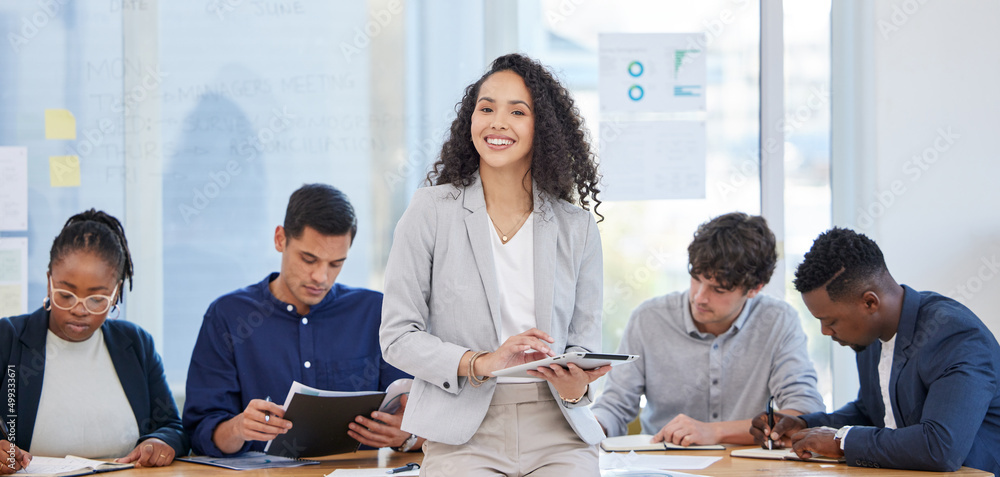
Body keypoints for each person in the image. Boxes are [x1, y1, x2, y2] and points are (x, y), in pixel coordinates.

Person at [380, 53, 608, 477]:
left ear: (544, 129)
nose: (497, 122)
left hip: (557, 427)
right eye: (486, 108)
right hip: (464, 427)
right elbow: (397, 336)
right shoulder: (431, 211)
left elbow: (584, 341)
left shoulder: (576, 227)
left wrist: (576, 385)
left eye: (517, 112)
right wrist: (481, 361)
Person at [183, 184, 418, 457]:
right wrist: (238, 428)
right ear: (280, 239)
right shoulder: (228, 316)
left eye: (335, 264)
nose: (321, 277)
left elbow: (426, 418)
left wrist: (408, 435)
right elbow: (199, 434)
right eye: (309, 259)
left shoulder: (375, 313)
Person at [752, 227, 1000, 474]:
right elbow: (870, 412)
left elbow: (941, 447)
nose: (825, 332)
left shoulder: (954, 336)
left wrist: (842, 442)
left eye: (831, 321)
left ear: (870, 302)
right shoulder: (872, 337)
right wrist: (804, 425)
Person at [592, 212, 825, 446]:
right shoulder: (648, 319)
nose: (700, 297)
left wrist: (716, 432)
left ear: (755, 288)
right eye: (696, 278)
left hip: (745, 465)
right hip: (664, 464)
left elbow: (805, 414)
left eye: (718, 290)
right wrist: (588, 426)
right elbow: (614, 406)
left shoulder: (778, 321)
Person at [0, 209, 188, 473]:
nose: (80, 309)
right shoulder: (7, 339)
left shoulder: (136, 343)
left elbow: (172, 426)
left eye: (96, 299)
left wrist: (159, 441)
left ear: (116, 293)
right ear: (48, 283)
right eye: (65, 295)